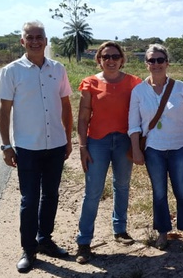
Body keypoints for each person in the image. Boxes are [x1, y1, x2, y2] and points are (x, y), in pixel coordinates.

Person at [0, 20, 73, 273]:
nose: (35, 41)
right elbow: (4, 110)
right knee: (29, 199)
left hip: (56, 144)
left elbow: (66, 105)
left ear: (46, 40)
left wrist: (68, 140)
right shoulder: (11, 71)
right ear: (22, 41)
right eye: (30, 37)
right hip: (28, 147)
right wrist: (6, 146)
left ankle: (45, 240)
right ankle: (28, 250)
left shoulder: (58, 69)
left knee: (51, 195)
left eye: (39, 36)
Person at [75, 41, 142, 264]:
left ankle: (120, 230)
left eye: (115, 56)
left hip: (124, 141)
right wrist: (82, 146)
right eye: (106, 57)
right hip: (97, 142)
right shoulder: (90, 83)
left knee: (122, 186)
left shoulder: (134, 83)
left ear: (122, 59)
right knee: (93, 191)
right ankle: (84, 242)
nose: (111, 60)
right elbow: (83, 117)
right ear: (99, 60)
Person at [129, 44, 183, 250]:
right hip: (153, 149)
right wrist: (136, 149)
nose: (156, 64)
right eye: (152, 60)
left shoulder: (180, 88)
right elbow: (133, 125)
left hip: (178, 146)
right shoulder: (139, 91)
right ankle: (162, 232)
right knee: (159, 191)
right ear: (146, 64)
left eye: (160, 60)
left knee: (181, 190)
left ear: (167, 63)